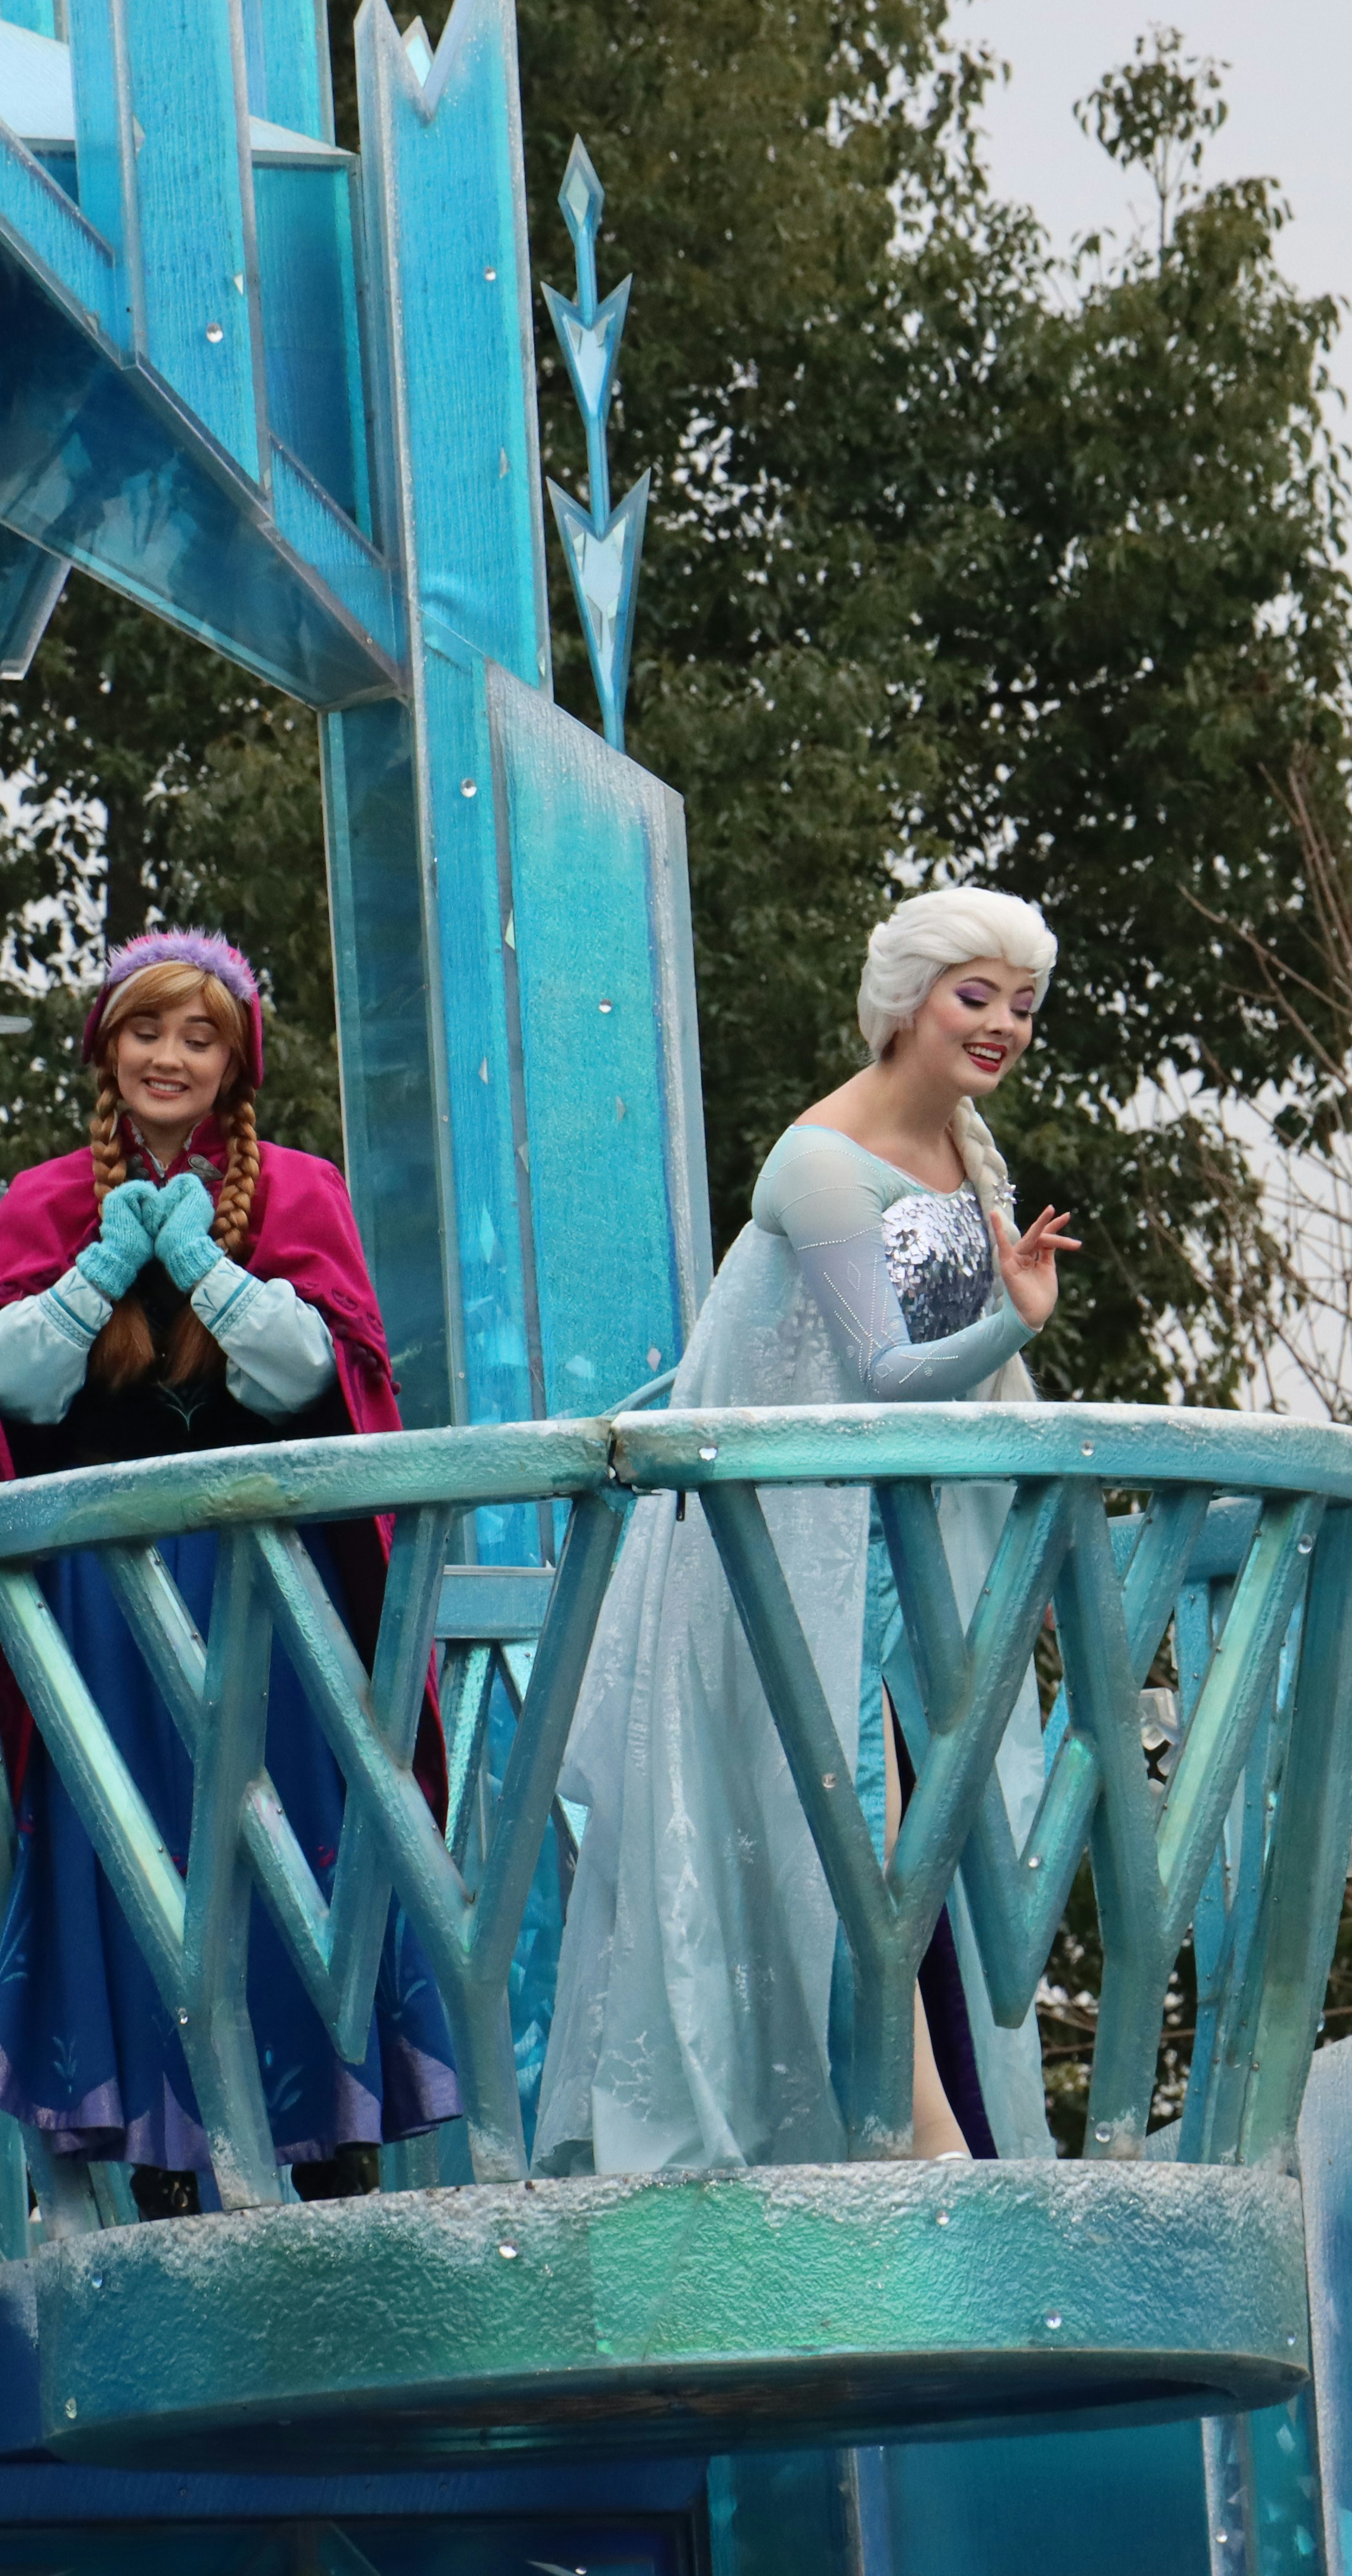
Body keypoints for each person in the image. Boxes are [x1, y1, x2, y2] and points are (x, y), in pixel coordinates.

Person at [534, 888, 1077, 2175]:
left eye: (1021, 1004)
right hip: (794, 1562)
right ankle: (919, 2141)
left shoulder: (967, 1153)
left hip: (905, 1554)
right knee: (862, 1839)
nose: (1001, 1024)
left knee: (928, 1842)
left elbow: (969, 1399)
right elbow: (889, 1371)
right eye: (976, 995)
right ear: (909, 1000)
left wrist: (1024, 1544)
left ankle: (950, 2128)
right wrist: (1015, 1317)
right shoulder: (822, 1161)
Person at [0, 929, 461, 2214]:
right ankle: (167, 2179)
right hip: (111, 1612)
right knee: (136, 1858)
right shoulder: (44, 1203)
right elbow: (7, 1386)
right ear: (105, 1049)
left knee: (299, 1848)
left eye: (199, 1036)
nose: (169, 1058)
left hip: (273, 1595)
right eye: (146, 1031)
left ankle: (334, 2157)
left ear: (236, 1062)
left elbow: (322, 1379)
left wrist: (210, 1273)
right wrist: (105, 1264)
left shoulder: (303, 1192)